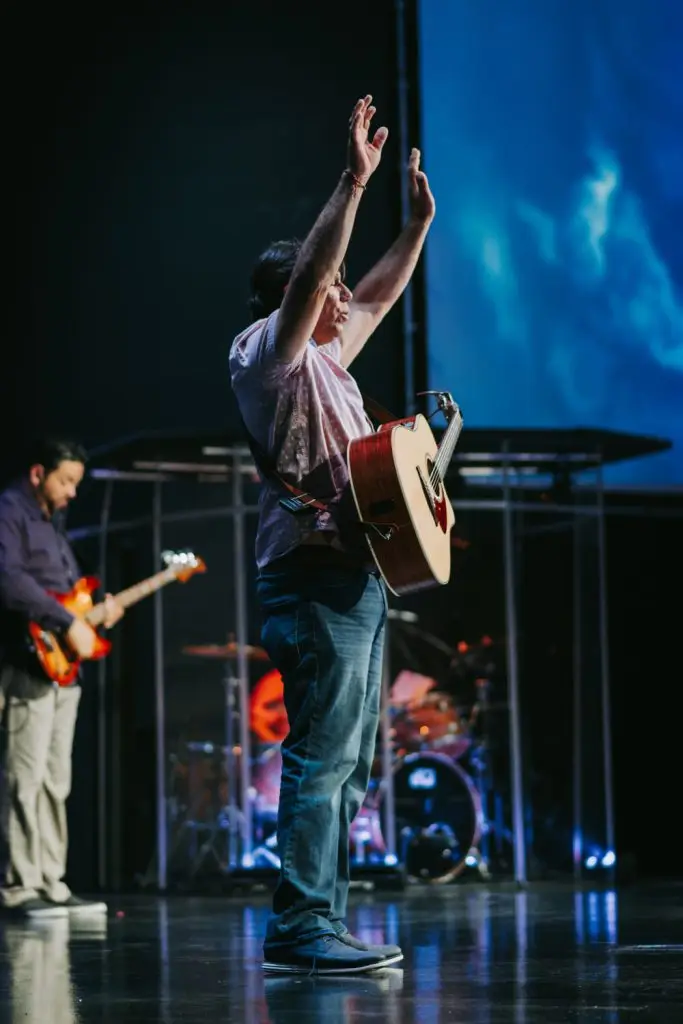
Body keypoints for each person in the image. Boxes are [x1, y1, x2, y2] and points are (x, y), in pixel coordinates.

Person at [230, 94, 435, 974]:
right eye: (329, 287)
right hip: (312, 580)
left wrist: (416, 227)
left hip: (354, 576)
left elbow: (375, 297)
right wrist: (354, 183)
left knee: (347, 762)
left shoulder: (324, 359)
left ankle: (321, 921)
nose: (344, 296)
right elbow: (321, 273)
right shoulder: (266, 355)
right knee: (322, 755)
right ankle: (301, 926)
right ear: (296, 297)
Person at [0, 438, 124, 918]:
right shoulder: (10, 511)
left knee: (56, 779)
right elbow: (9, 579)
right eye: (66, 481)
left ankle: (51, 881)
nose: (73, 492)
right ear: (38, 473)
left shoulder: (54, 522)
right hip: (27, 662)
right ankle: (20, 885)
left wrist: (92, 613)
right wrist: (66, 620)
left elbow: (66, 591)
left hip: (63, 670)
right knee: (24, 776)